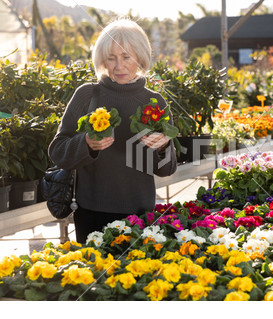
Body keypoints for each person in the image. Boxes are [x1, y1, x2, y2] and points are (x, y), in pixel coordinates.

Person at [49, 19, 177, 243]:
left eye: (126, 56)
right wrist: (86, 143)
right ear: (102, 60)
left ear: (140, 57)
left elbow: (166, 170)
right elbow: (57, 151)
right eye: (111, 58)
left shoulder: (154, 102)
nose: (119, 66)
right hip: (91, 213)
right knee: (94, 276)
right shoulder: (87, 95)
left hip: (140, 216)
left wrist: (164, 146)